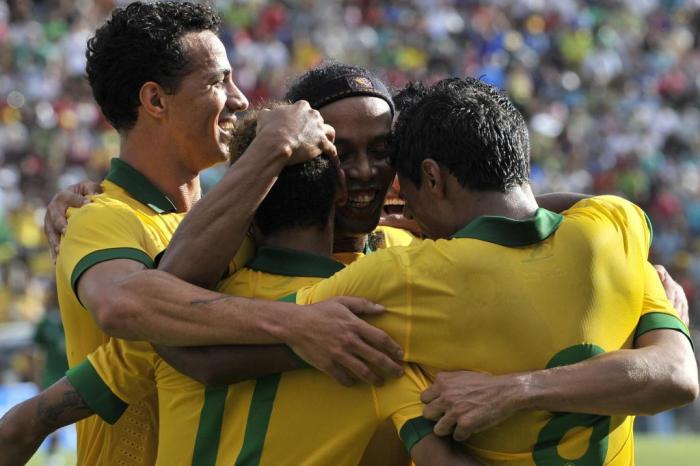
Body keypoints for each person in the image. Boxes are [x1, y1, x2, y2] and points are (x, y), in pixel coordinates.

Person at [30, 3, 403, 465]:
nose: (241, 99)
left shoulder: (236, 219)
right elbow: (121, 304)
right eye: (218, 82)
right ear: (156, 101)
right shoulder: (99, 218)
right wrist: (301, 324)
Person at [284, 77, 697, 463]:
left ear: (432, 178)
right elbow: (678, 375)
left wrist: (512, 391)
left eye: (409, 199)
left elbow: (268, 329)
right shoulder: (616, 227)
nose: (409, 215)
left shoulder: (406, 275)